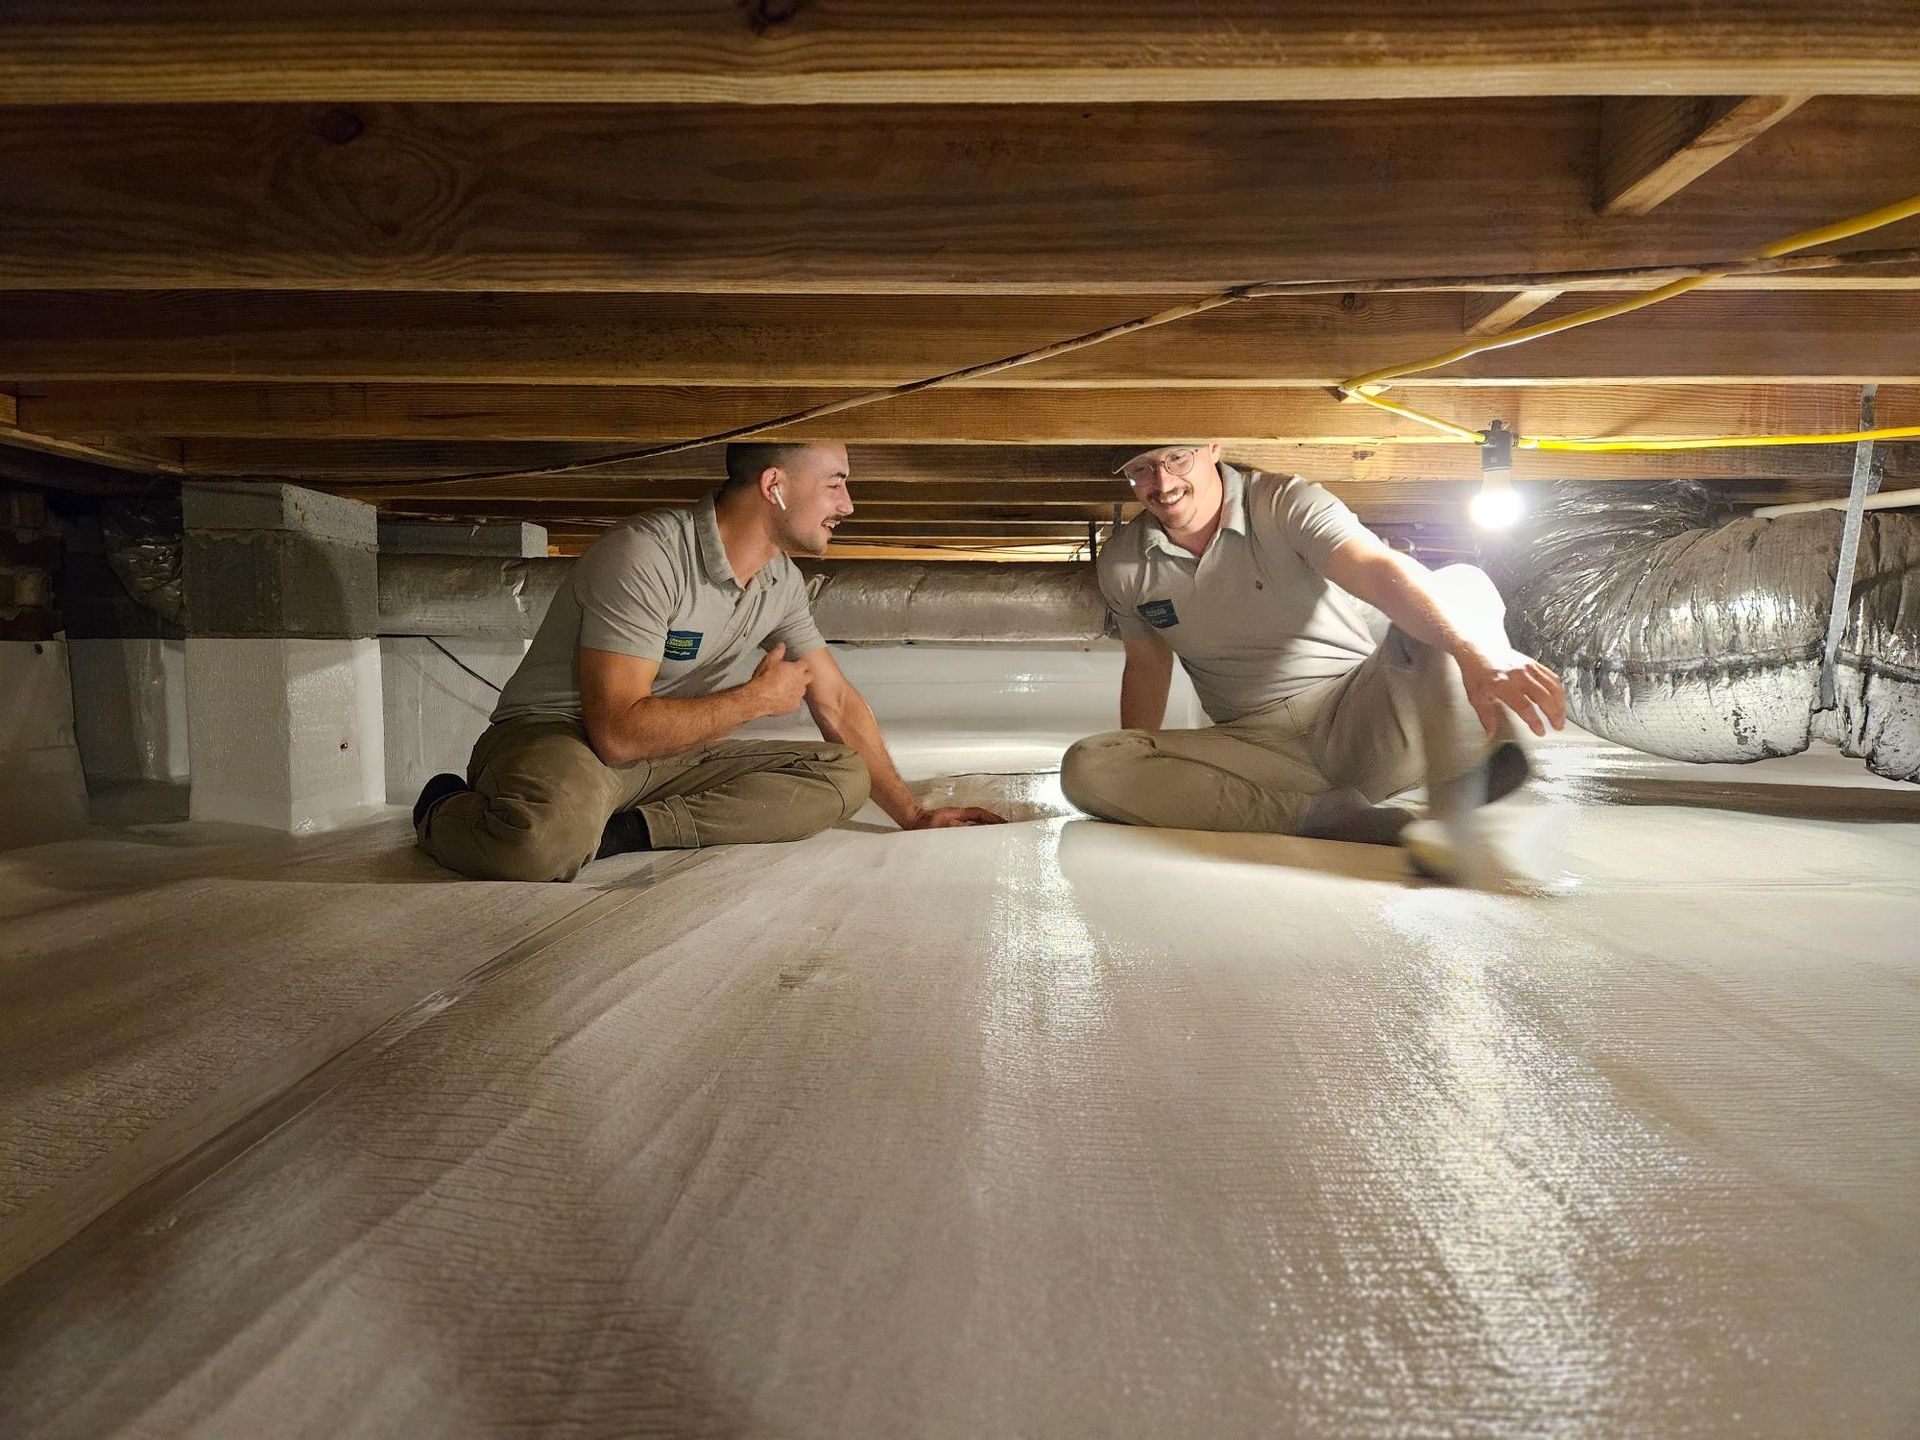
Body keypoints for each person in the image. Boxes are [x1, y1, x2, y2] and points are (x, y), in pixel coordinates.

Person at [414, 441, 1003, 881]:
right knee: (539, 847)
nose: (847, 505)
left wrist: (912, 815)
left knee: (843, 774)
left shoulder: (780, 582)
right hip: (562, 737)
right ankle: (441, 807)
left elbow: (837, 701)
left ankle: (624, 831)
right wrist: (753, 701)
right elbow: (616, 734)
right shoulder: (647, 555)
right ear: (775, 486)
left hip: (667, 753)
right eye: (835, 485)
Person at [1060, 442, 1567, 879]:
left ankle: (1452, 810)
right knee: (1089, 765)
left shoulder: (1282, 502)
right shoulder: (1125, 562)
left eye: (1177, 458)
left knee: (1458, 583)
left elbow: (1376, 568)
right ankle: (1332, 819)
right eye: (1142, 469)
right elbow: (1147, 666)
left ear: (1212, 448)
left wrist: (1476, 655)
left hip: (1363, 718)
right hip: (1259, 748)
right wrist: (1143, 771)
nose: (1163, 482)